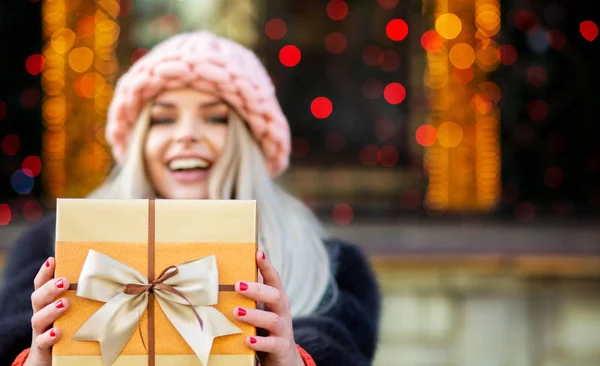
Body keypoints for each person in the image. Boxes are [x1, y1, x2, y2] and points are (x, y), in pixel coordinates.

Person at [0, 31, 381, 366]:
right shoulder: (52, 246)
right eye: (164, 119)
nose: (186, 135)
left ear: (250, 138)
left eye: (215, 118)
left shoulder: (331, 266)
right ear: (138, 141)